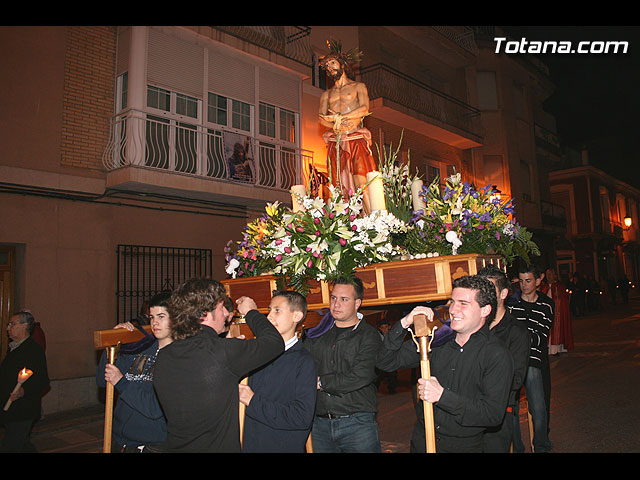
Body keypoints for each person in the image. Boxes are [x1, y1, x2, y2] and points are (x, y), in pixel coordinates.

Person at [377, 275, 513, 453]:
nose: (454, 309)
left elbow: (491, 414)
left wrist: (442, 396)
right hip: (423, 441)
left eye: (463, 303)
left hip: (464, 446)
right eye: (452, 301)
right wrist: (404, 323)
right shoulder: (436, 341)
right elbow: (385, 362)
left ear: (485, 310)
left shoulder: (496, 354)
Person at [151, 277, 284, 452]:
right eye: (221, 307)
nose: (226, 314)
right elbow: (274, 343)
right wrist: (252, 312)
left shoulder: (164, 356)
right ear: (205, 313)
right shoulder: (223, 352)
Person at [303, 275, 382, 453]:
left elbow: (360, 376)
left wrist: (320, 382)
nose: (336, 304)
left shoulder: (369, 335)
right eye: (333, 298)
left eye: (344, 299)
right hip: (319, 424)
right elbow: (301, 364)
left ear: (357, 303)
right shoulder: (318, 333)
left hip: (357, 424)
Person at [239, 291, 317, 453]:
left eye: (277, 310)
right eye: (269, 310)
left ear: (297, 316)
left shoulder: (303, 361)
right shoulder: (258, 353)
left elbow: (301, 417)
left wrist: (253, 401)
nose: (269, 317)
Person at [96, 291, 173, 452]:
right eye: (152, 317)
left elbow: (155, 408)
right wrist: (114, 346)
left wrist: (121, 382)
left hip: (151, 445)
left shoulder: (179, 357)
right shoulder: (140, 348)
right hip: (120, 441)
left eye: (161, 316)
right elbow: (102, 381)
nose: (155, 323)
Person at [318, 41, 377, 214]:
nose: (330, 68)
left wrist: (341, 118)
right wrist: (333, 125)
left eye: (333, 63)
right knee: (338, 185)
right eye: (327, 66)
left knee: (361, 181)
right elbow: (322, 118)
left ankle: (372, 219)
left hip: (355, 137)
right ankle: (345, 222)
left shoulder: (358, 86)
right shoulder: (326, 94)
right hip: (337, 142)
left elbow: (365, 108)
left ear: (342, 64)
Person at [478, 265, 530, 452]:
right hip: (468, 411)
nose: (484, 295)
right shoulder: (472, 328)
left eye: (490, 289)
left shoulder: (516, 331)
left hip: (498, 412)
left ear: (504, 293)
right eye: (481, 290)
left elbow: (515, 379)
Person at [509, 265, 554, 453]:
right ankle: (517, 447)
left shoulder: (546, 304)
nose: (524, 285)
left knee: (538, 407)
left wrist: (518, 336)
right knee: (509, 407)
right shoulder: (512, 303)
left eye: (528, 280)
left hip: (533, 360)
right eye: (521, 281)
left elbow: (540, 337)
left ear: (538, 280)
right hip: (512, 360)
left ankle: (541, 446)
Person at [0, 310, 50, 452]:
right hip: (10, 408)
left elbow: (42, 380)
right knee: (22, 445)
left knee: (11, 445)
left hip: (22, 410)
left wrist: (23, 391)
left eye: (12, 324)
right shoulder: (14, 348)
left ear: (25, 325)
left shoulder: (33, 350)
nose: (7, 328)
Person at [545, 268, 574, 355]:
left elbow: (563, 301)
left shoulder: (560, 287)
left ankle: (558, 349)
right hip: (547, 313)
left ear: (554, 275)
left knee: (558, 330)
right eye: (547, 274)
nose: (548, 276)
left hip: (557, 313)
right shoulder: (544, 287)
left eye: (550, 274)